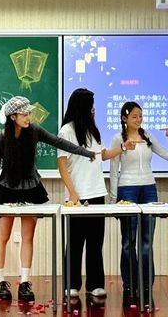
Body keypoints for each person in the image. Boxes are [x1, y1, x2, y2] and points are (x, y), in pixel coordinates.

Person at [0, 95, 98, 303]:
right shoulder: (0, 140)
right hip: (6, 190)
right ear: (13, 117)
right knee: (3, 236)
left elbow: (59, 142)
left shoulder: (34, 131)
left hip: (31, 188)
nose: (28, 117)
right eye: (24, 114)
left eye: (28, 113)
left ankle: (25, 282)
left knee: (28, 237)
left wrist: (86, 152)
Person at [57, 88, 135, 300]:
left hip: (97, 193)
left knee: (95, 242)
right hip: (77, 196)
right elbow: (62, 165)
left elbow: (103, 155)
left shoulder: (93, 130)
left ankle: (95, 284)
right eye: (91, 105)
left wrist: (123, 148)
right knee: (75, 243)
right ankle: (71, 284)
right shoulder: (66, 131)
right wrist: (73, 193)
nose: (94, 109)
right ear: (83, 107)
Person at [109, 101, 168, 303]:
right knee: (128, 241)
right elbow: (114, 170)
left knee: (147, 240)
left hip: (149, 188)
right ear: (124, 118)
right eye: (134, 116)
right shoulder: (118, 138)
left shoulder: (147, 136)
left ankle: (146, 283)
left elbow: (167, 155)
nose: (138, 120)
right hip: (127, 189)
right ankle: (129, 283)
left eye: (140, 116)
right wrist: (114, 198)